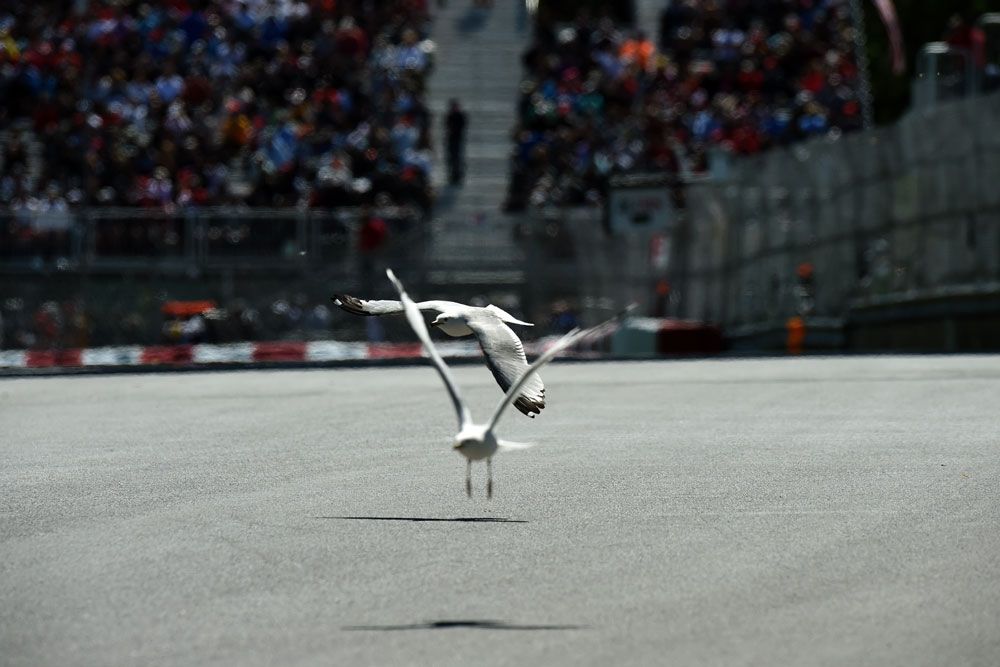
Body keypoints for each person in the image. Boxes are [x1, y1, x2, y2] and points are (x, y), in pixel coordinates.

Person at [444, 99, 468, 185]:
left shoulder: (460, 115)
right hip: (451, 139)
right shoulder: (449, 115)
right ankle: (452, 176)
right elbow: (446, 126)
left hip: (458, 139)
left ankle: (458, 176)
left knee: (457, 158)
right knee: (451, 158)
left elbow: (462, 126)